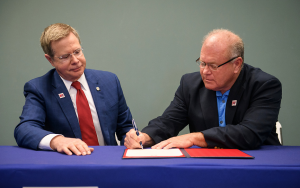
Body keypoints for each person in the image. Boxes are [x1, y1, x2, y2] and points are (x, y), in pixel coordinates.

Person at [125, 29, 282, 150]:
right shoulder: (191, 84)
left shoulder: (264, 85)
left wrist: (194, 138)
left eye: (213, 66)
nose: (205, 72)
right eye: (202, 63)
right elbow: (168, 122)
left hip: (258, 163)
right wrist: (144, 137)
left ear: (236, 64)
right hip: (208, 165)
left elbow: (249, 134)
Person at [15, 23, 133, 155]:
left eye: (77, 52)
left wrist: (133, 138)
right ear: (50, 60)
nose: (75, 60)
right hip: (69, 166)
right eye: (65, 57)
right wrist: (57, 140)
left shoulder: (109, 81)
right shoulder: (39, 88)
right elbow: (25, 129)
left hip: (108, 162)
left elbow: (126, 127)